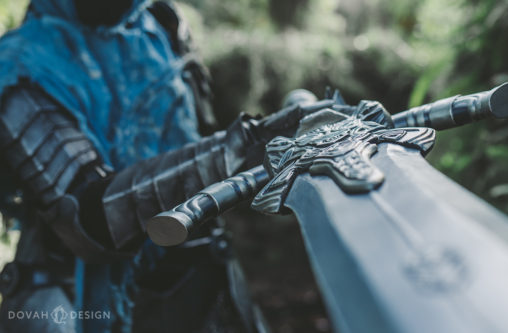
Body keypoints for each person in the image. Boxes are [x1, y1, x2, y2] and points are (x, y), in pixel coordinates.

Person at [0, 0, 323, 331]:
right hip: (74, 300)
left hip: (196, 276)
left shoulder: (161, 23)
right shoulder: (17, 63)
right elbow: (87, 218)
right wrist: (243, 147)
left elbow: (198, 135)